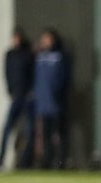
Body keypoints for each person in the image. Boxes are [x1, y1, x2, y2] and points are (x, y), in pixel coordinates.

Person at [0, 27, 34, 170]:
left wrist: (31, 92)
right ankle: (0, 160)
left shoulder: (28, 54)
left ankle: (24, 162)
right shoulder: (10, 54)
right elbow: (7, 73)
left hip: (26, 98)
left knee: (29, 131)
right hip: (16, 96)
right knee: (7, 130)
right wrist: (10, 90)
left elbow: (32, 74)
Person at [33, 28, 69, 169]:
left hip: (57, 103)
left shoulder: (60, 57)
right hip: (44, 103)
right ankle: (46, 161)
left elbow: (63, 79)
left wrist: (59, 95)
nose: (45, 42)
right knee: (46, 135)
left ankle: (61, 162)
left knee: (60, 134)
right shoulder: (39, 56)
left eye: (48, 39)